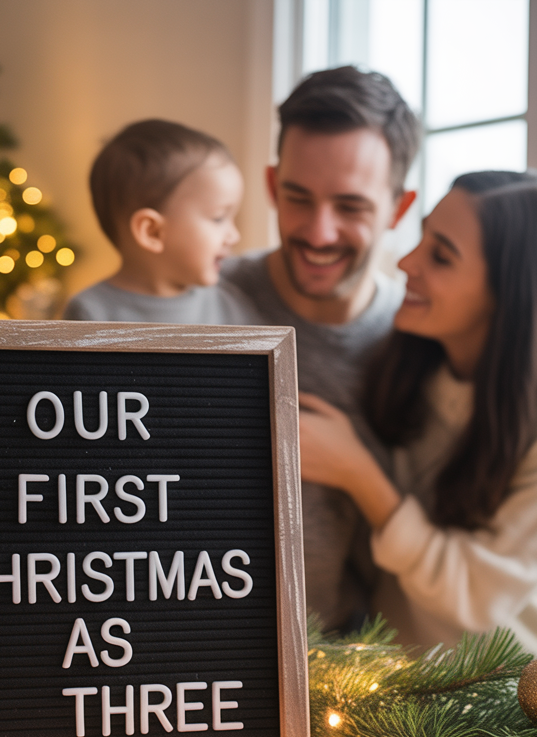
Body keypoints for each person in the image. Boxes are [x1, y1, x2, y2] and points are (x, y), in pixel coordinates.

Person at [298, 170, 537, 670]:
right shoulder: (415, 368)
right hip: (418, 697)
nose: (406, 261)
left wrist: (359, 475)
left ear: (511, 290)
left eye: (441, 255)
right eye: (422, 237)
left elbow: (481, 598)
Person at [221, 66, 420, 633]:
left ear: (397, 210)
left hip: (353, 677)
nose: (319, 232)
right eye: (298, 198)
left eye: (351, 207)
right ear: (270, 184)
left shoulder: (421, 340)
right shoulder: (204, 303)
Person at [64, 119, 259, 324]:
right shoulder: (89, 315)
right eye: (219, 218)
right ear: (152, 232)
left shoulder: (231, 307)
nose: (234, 236)